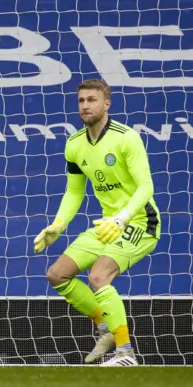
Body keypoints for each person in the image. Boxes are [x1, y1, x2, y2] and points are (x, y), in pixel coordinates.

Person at [33, 79, 160, 367]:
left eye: (92, 100)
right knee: (57, 274)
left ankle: (126, 354)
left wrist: (121, 217)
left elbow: (146, 188)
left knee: (98, 277)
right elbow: (74, 191)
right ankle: (107, 329)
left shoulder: (126, 137)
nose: (86, 105)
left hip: (140, 222)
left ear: (106, 104)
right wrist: (58, 225)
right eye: (81, 101)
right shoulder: (75, 144)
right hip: (106, 225)